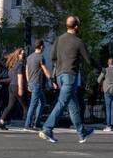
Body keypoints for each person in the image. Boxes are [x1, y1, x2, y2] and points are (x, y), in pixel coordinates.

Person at [40, 15, 94, 144]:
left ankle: (82, 132)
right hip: (70, 76)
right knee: (62, 103)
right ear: (76, 26)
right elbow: (89, 59)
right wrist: (100, 69)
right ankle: (47, 128)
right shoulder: (78, 41)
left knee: (73, 105)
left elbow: (52, 56)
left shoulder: (59, 39)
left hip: (60, 76)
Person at [23, 39, 51, 131]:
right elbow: (45, 70)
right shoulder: (40, 57)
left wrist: (28, 83)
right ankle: (28, 124)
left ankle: (37, 123)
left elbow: (26, 70)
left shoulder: (29, 57)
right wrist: (51, 79)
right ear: (41, 46)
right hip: (37, 83)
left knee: (42, 102)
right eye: (44, 46)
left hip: (31, 82)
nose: (44, 48)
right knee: (33, 104)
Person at [0, 48, 27, 130]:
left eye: (24, 54)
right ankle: (28, 124)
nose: (23, 55)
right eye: (21, 54)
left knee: (10, 106)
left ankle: (1, 122)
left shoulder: (13, 65)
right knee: (25, 106)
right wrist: (21, 88)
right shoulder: (20, 64)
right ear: (18, 55)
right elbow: (19, 77)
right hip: (17, 86)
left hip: (11, 86)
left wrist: (0, 80)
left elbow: (11, 78)